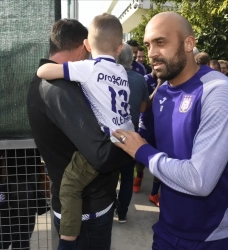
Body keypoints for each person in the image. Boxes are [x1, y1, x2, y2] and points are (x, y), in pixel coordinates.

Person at [112, 11, 228, 249]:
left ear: (188, 43)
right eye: (148, 44)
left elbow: (199, 179)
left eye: (160, 42)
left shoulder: (219, 92)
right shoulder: (162, 92)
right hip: (167, 228)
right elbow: (142, 138)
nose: (152, 53)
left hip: (214, 236)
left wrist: (142, 152)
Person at [27, 18, 131, 250]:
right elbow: (102, 155)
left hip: (74, 202)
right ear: (84, 46)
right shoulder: (60, 89)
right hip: (88, 211)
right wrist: (132, 152)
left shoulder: (42, 82)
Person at [115, 43, 149, 223]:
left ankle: (110, 207)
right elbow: (143, 107)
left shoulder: (107, 78)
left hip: (111, 134)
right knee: (128, 176)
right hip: (131, 134)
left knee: (110, 174)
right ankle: (122, 213)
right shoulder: (140, 78)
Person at [133, 69, 163, 207]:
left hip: (162, 126)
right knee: (140, 156)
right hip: (145, 124)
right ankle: (139, 175)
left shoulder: (170, 80)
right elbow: (144, 106)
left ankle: (154, 193)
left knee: (160, 158)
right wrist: (159, 86)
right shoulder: (144, 80)